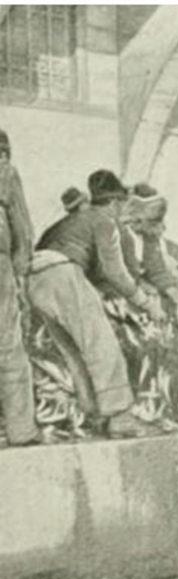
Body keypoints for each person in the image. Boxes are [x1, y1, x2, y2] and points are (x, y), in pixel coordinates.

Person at [30, 169, 165, 438]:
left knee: (74, 352)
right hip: (63, 274)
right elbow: (115, 272)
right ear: (114, 202)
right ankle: (120, 418)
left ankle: (94, 414)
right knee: (101, 344)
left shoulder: (67, 222)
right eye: (122, 203)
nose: (123, 209)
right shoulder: (105, 221)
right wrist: (147, 303)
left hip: (34, 280)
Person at [0, 129, 39, 446]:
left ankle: (19, 428)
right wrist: (20, 275)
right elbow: (22, 230)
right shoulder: (6, 172)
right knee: (8, 347)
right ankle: (20, 429)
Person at [121, 184, 178, 319]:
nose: (160, 226)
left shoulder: (149, 237)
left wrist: (175, 294)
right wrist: (147, 300)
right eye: (154, 221)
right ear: (136, 218)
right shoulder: (121, 235)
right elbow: (119, 275)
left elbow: (156, 269)